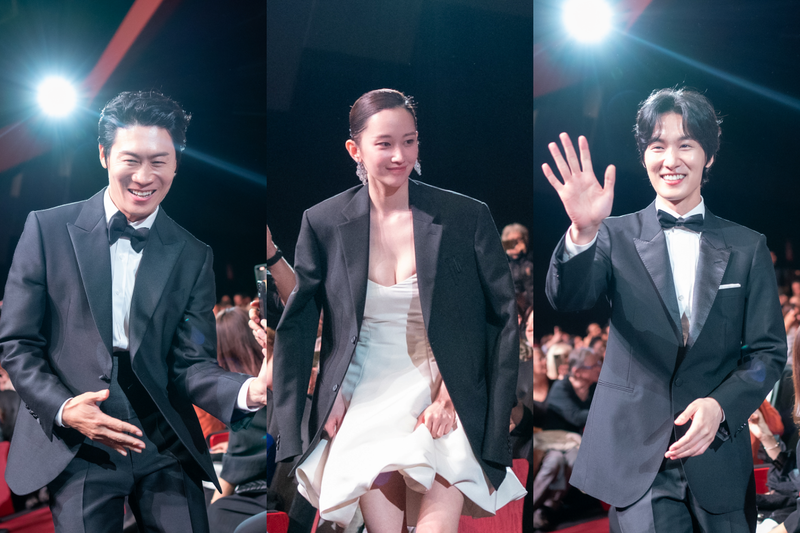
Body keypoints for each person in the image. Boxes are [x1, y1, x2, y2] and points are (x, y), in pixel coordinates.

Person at [0, 90, 267, 533]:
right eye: (131, 160)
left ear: (177, 163)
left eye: (159, 161)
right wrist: (64, 408)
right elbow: (18, 342)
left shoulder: (192, 254)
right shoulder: (47, 229)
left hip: (164, 436)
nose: (145, 176)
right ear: (104, 155)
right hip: (80, 439)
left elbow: (191, 364)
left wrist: (251, 389)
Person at [272, 89, 525, 532]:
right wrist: (322, 402)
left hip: (443, 393)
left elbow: (500, 317)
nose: (400, 155)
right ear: (354, 149)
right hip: (364, 399)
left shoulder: (463, 216)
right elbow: (299, 324)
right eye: (385, 143)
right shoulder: (323, 221)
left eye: (409, 141)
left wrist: (454, 398)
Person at [543, 87, 786, 531]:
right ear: (644, 156)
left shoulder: (748, 247)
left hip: (718, 453)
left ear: (709, 156)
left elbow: (767, 353)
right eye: (657, 146)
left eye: (685, 145)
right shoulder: (612, 235)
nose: (670, 160)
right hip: (639, 462)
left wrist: (720, 406)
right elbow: (568, 298)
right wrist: (582, 232)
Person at [208, 307, 268, 532]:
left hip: (262, 498)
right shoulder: (276, 383)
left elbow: (229, 480)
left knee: (213, 512)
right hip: (293, 493)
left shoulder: (247, 403)